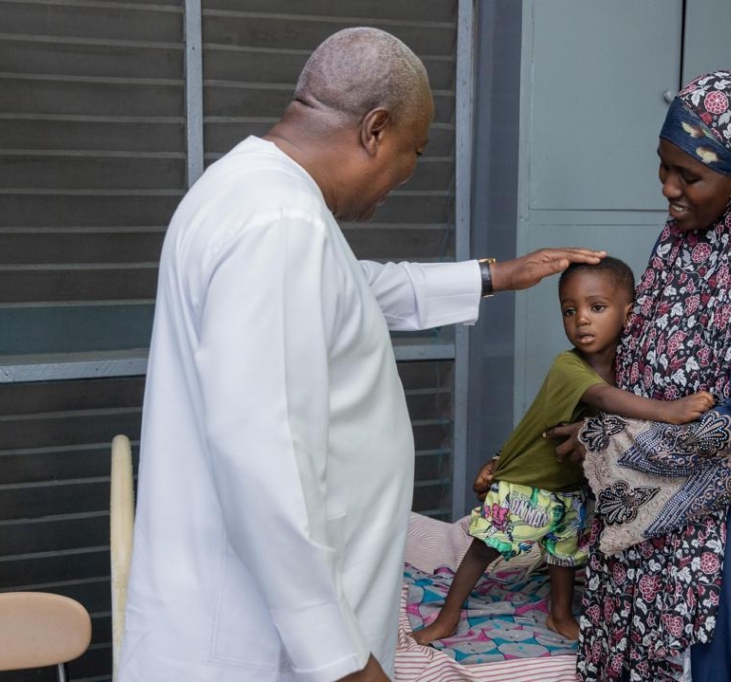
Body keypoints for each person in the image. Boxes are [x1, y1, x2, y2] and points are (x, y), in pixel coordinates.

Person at [119, 27, 605, 682]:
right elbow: (264, 463)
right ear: (375, 129)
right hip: (255, 650)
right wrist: (344, 663)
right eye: (413, 152)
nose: (406, 175)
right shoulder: (281, 225)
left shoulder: (249, 189)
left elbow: (354, 289)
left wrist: (496, 275)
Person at [547, 71, 731, 681]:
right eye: (663, 167)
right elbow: (643, 371)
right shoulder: (677, 246)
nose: (669, 190)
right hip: (649, 541)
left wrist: (615, 448)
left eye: (691, 176)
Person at [412, 258, 713, 646]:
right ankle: (448, 617)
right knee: (485, 546)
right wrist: (668, 411)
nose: (582, 320)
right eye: (570, 311)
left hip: (572, 485)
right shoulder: (568, 366)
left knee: (564, 554)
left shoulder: (631, 365)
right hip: (531, 481)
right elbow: (603, 399)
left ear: (629, 313)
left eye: (596, 307)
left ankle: (559, 615)